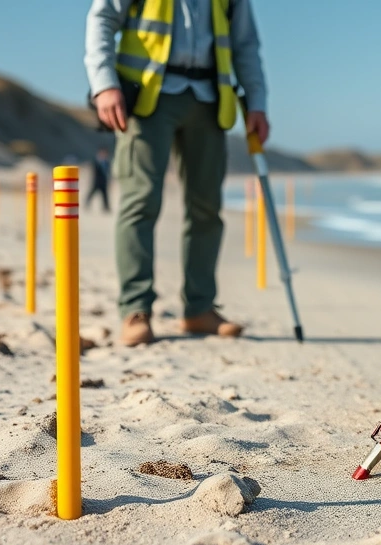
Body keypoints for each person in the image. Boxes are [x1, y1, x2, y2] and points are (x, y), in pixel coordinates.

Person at [84, 0, 270, 346]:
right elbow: (103, 17)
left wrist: (257, 101)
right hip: (146, 97)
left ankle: (199, 309)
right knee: (140, 203)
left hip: (210, 99)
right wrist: (104, 84)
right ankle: (136, 310)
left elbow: (245, 43)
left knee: (206, 206)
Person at [86, 146, 111, 213]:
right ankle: (86, 204)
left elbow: (108, 172)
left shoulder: (106, 161)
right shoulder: (96, 161)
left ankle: (106, 207)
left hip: (104, 181)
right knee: (91, 193)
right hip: (96, 181)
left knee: (105, 195)